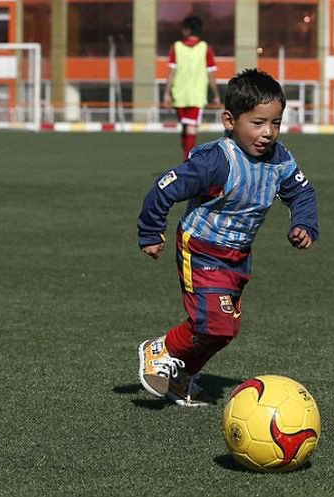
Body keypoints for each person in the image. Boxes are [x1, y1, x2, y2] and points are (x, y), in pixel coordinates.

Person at [137, 69, 319, 407]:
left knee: (225, 330)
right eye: (258, 122)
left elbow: (302, 193)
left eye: (275, 123)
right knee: (212, 323)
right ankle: (160, 350)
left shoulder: (280, 161)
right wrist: (151, 231)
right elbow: (164, 187)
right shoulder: (217, 163)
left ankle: (181, 377)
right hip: (201, 249)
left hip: (238, 257)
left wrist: (305, 224)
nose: (268, 133)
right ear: (229, 121)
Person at [163, 15, 221, 159]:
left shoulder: (176, 47)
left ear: (188, 29)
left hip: (179, 94)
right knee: (190, 128)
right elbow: (211, 74)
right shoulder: (205, 48)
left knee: (187, 127)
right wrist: (216, 94)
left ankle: (187, 161)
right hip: (196, 95)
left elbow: (171, 72)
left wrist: (167, 93)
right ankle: (188, 162)